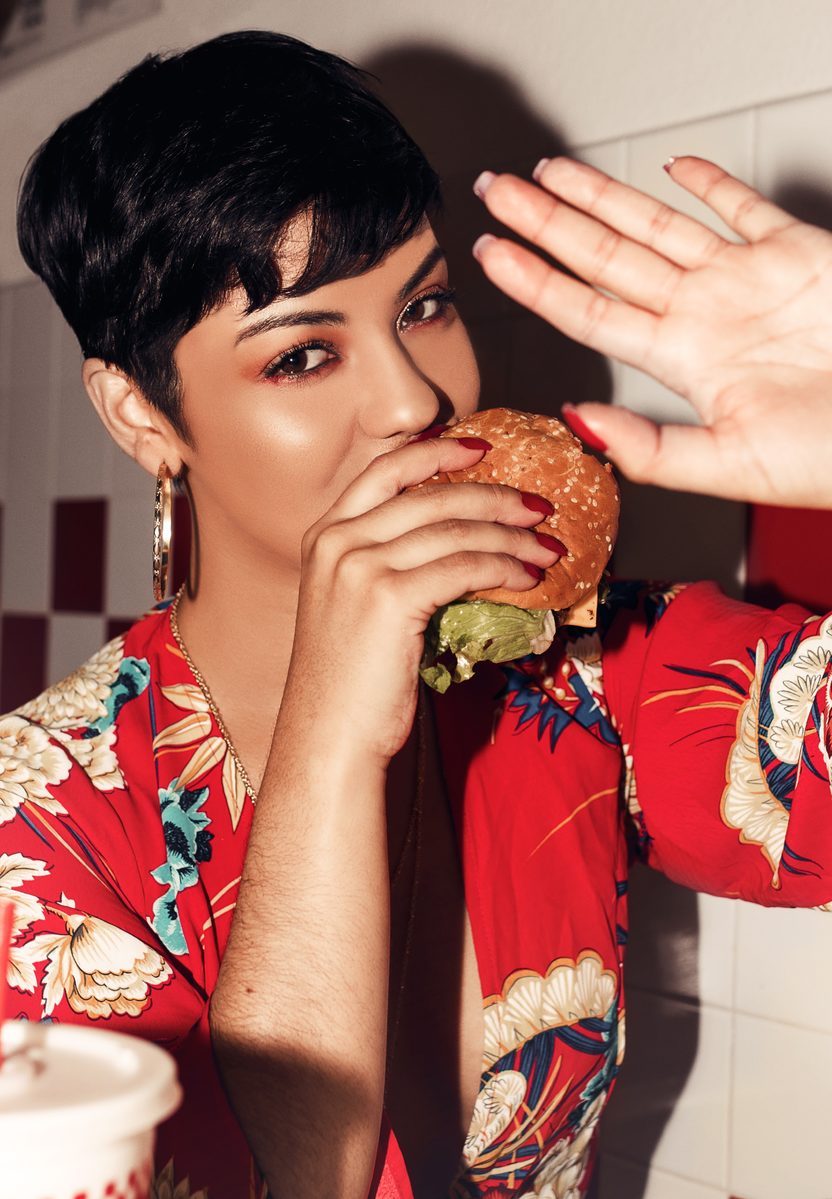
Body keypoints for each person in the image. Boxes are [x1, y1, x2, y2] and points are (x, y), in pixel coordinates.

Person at [3, 28, 830, 1199]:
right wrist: (333, 738)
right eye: (301, 355)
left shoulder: (576, 670)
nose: (412, 398)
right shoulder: (45, 830)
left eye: (425, 304)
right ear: (142, 414)